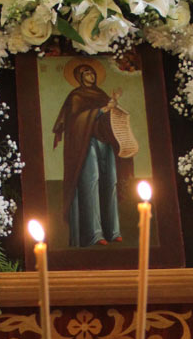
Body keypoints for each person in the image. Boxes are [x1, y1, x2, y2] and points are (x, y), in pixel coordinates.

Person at [52, 62, 135, 248]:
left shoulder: (101, 95)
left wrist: (113, 106)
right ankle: (94, 233)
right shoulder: (76, 96)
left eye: (92, 73)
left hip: (105, 141)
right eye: (86, 73)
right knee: (92, 181)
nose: (91, 76)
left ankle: (113, 231)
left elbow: (108, 119)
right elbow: (75, 121)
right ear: (80, 77)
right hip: (86, 143)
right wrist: (101, 110)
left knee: (111, 181)